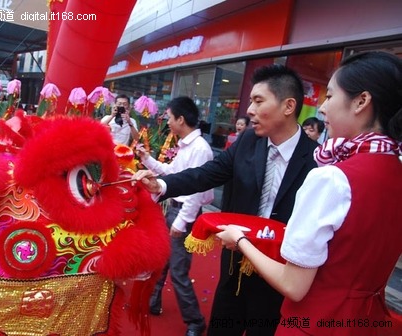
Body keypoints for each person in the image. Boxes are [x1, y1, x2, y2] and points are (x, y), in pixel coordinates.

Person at [216, 51, 402, 335]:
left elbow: (294, 285)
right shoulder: (393, 169)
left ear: (361, 101)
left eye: (330, 96)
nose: (323, 108)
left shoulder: (332, 177)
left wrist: (240, 239)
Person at [134, 64, 319, 335]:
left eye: (258, 101)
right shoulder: (248, 142)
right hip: (235, 256)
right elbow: (208, 173)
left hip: (279, 269)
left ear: (288, 106)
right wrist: (161, 183)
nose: (250, 110)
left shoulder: (316, 159)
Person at [136, 96, 214, 336]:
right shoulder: (187, 146)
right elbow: (173, 174)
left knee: (179, 270)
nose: (167, 122)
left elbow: (196, 190)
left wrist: (182, 221)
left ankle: (195, 321)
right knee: (162, 261)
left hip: (184, 213)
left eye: (169, 117)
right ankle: (153, 302)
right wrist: (147, 159)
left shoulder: (200, 149)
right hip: (175, 209)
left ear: (181, 119)